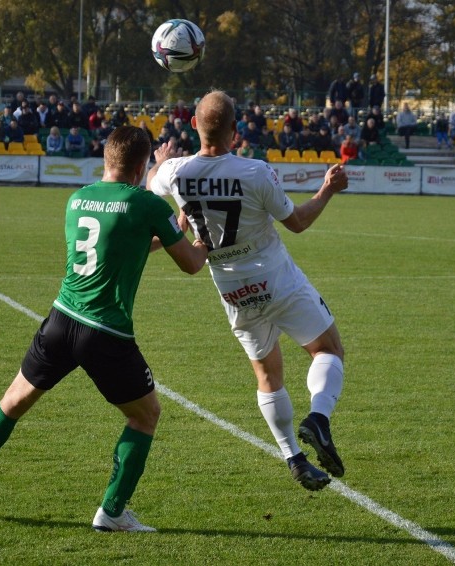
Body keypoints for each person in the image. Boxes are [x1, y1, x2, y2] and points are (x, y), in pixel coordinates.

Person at [0, 125, 208, 534]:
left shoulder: (78, 198)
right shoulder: (146, 204)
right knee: (146, 416)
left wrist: (168, 223)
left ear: (106, 159)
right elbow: (192, 264)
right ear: (141, 167)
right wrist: (207, 238)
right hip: (106, 332)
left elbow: (121, 240)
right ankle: (113, 511)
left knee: (13, 402)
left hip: (60, 321)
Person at [148, 90, 349, 492]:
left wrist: (160, 165)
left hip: (231, 288)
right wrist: (327, 190)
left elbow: (156, 192)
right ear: (236, 131)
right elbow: (297, 223)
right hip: (275, 277)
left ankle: (293, 456)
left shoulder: (175, 173)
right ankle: (319, 419)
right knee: (327, 349)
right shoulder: (256, 171)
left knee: (267, 374)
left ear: (193, 125)